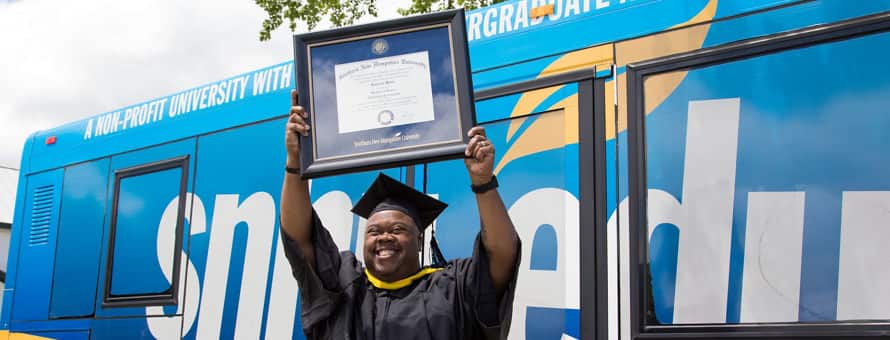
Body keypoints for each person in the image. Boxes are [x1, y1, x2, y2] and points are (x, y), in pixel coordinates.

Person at [280, 90, 521, 340]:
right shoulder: (345, 287)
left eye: (397, 230)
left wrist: (483, 183)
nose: (384, 237)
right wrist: (295, 160)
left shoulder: (453, 288)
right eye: (373, 231)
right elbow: (300, 238)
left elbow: (502, 252)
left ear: (419, 240)